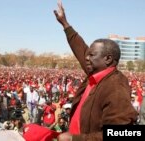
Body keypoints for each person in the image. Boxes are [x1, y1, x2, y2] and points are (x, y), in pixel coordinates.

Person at [53, 0, 138, 141]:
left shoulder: (116, 87)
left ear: (108, 59)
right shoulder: (96, 74)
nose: (86, 58)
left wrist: (75, 139)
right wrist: (65, 24)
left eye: (92, 55)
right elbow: (81, 49)